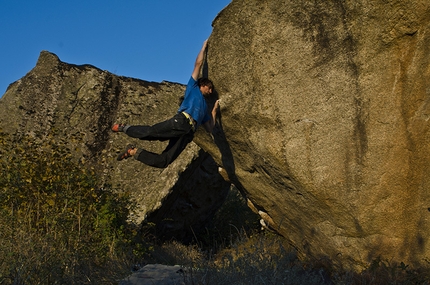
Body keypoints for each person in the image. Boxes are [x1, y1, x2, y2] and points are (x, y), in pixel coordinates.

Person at [111, 40, 219, 168]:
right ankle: (125, 128)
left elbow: (210, 128)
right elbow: (198, 64)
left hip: (187, 133)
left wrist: (214, 110)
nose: (211, 91)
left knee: (164, 161)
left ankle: (133, 152)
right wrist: (203, 48)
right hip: (182, 121)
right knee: (151, 133)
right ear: (203, 84)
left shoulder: (205, 108)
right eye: (210, 88)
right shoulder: (193, 87)